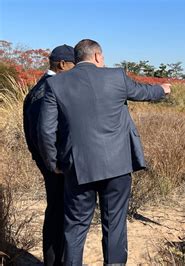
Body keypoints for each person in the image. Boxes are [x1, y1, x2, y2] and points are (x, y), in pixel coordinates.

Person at [37, 39, 171, 265]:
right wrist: (163, 89)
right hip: (117, 166)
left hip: (78, 169)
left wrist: (54, 163)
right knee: (115, 224)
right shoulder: (116, 77)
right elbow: (144, 92)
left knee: (76, 228)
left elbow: (46, 130)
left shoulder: (56, 84)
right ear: (97, 56)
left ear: (77, 58)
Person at [23, 44, 75, 266]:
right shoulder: (48, 90)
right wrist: (54, 163)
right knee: (58, 213)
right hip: (55, 166)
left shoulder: (42, 87)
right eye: (75, 65)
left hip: (50, 162)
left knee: (57, 211)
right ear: (62, 64)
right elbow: (42, 133)